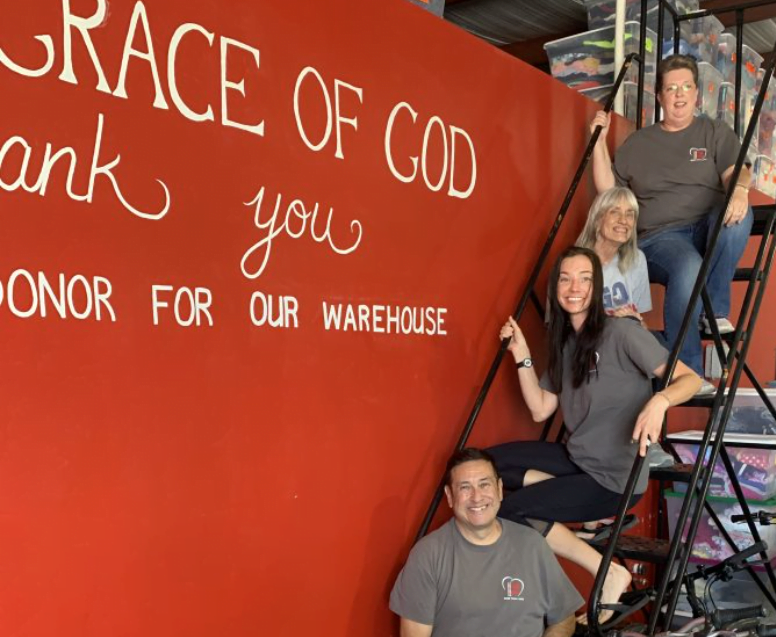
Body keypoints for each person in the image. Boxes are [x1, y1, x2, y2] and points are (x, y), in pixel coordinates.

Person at [489, 246, 701, 621]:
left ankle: (609, 572)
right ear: (556, 287)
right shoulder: (565, 345)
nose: (575, 287)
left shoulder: (622, 333)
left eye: (585, 279)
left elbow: (691, 379)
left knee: (508, 509)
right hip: (579, 459)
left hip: (615, 480)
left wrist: (660, 401)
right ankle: (569, 501)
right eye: (566, 278)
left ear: (597, 287)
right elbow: (540, 408)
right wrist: (521, 354)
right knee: (490, 467)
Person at [590, 54, 753, 393]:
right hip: (659, 238)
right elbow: (609, 191)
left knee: (739, 216)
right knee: (688, 264)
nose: (679, 94)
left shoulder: (714, 132)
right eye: (671, 88)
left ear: (697, 94)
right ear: (660, 96)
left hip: (706, 226)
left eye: (686, 87)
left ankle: (713, 310)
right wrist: (598, 142)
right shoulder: (638, 143)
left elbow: (734, 173)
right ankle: (688, 371)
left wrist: (739, 190)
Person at [390, 448, 583, 637]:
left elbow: (564, 617)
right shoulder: (428, 555)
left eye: (484, 484)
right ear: (449, 496)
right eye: (465, 487)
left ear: (499, 489)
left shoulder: (533, 544)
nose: (477, 497)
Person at [576, 187, 675, 470]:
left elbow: (640, 320)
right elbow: (565, 319)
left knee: (653, 345)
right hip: (587, 342)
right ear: (598, 218)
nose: (624, 220)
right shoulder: (578, 261)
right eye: (615, 212)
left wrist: (634, 320)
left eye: (630, 214)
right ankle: (641, 442)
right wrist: (611, 319)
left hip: (624, 341)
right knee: (634, 353)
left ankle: (647, 438)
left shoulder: (635, 260)